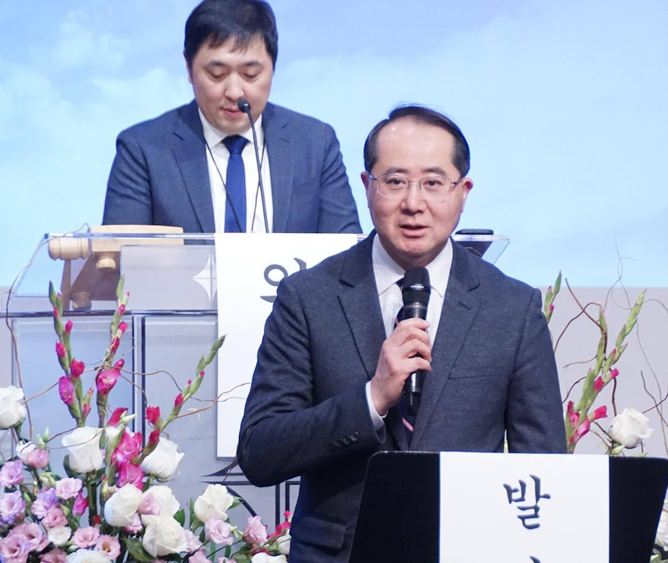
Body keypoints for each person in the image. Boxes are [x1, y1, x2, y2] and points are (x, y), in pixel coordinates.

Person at [237, 105, 566, 562]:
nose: (413, 203)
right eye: (394, 181)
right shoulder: (308, 297)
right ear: (366, 186)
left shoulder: (513, 308)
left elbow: (545, 470)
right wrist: (370, 399)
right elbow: (260, 452)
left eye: (433, 183)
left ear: (463, 192)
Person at [102, 0, 361, 235]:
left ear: (273, 66)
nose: (235, 92)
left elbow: (346, 252)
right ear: (188, 67)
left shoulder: (315, 143)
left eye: (250, 75)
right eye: (216, 74)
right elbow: (120, 257)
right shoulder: (143, 149)